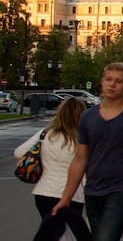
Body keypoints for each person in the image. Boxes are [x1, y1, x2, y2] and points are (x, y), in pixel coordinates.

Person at [54, 62, 123, 241]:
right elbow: (80, 159)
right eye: (108, 79)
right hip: (93, 190)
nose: (112, 84)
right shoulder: (88, 117)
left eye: (119, 81)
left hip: (122, 189)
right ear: (102, 81)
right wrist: (66, 198)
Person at [16, 97, 90, 240]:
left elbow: (19, 152)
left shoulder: (46, 134)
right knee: (71, 234)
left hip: (44, 191)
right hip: (73, 194)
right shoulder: (82, 139)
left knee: (54, 233)